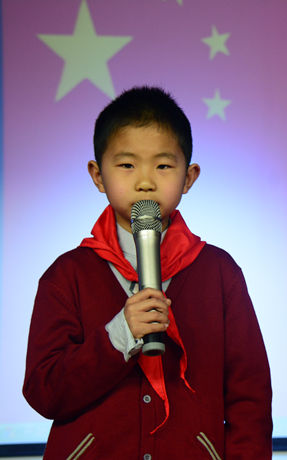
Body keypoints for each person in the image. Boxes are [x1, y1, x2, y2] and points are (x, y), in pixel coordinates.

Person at [23, 86, 272, 459]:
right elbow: (44, 392)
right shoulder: (67, 274)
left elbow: (249, 396)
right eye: (127, 165)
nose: (145, 181)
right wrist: (118, 335)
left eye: (163, 166)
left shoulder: (219, 272)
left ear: (189, 177)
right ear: (97, 175)